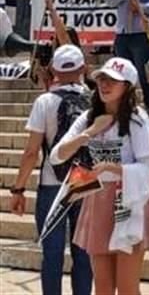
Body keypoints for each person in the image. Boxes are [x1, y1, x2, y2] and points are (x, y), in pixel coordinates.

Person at [49, 56, 149, 295]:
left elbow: (146, 169)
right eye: (102, 78)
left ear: (127, 87)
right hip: (98, 199)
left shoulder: (137, 119)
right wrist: (90, 132)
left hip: (131, 199)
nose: (105, 85)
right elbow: (56, 156)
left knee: (127, 288)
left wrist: (111, 168)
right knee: (102, 287)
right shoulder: (89, 117)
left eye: (113, 80)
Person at [9, 44, 93, 295]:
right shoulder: (94, 100)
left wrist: (19, 188)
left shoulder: (44, 101)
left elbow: (31, 152)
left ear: (53, 70)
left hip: (51, 182)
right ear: (83, 68)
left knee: (52, 254)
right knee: (83, 253)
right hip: (84, 180)